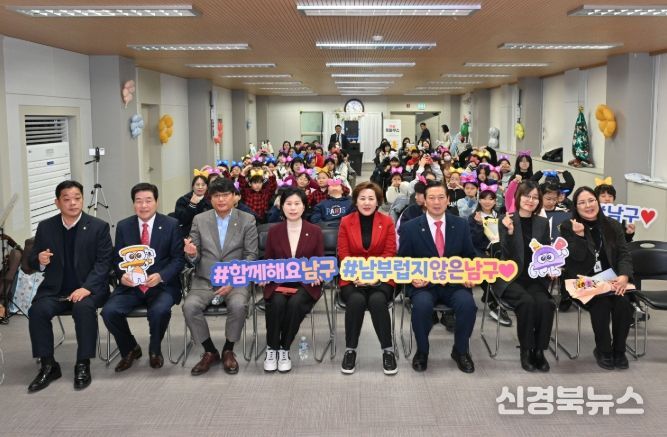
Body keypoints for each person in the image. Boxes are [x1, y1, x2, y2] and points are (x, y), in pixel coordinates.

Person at [27, 180, 112, 392]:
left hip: (88, 289)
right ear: (57, 203)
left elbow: (104, 263)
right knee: (37, 311)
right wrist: (40, 260)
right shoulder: (46, 227)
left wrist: (87, 288)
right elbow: (31, 261)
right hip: (56, 290)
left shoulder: (98, 227)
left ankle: (83, 363)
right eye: (67, 199)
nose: (73, 203)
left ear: (82, 200)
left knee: (83, 308)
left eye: (77, 198)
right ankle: (48, 365)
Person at [102, 183, 184, 372]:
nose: (144, 205)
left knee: (160, 311)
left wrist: (161, 276)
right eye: (139, 201)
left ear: (156, 202)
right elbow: (118, 259)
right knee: (109, 312)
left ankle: (155, 350)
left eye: (148, 200)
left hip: (161, 286)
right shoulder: (124, 226)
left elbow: (178, 260)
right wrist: (122, 276)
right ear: (133, 204)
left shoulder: (171, 224)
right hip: (131, 286)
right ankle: (130, 348)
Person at [398, 181, 478, 373]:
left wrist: (470, 275)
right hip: (424, 285)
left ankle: (460, 351)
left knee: (468, 305)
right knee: (421, 306)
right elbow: (402, 261)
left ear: (448, 200)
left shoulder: (461, 225)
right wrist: (412, 278)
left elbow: (470, 256)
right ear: (424, 201)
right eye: (432, 198)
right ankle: (422, 351)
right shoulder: (410, 228)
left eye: (441, 197)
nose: (436, 202)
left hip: (454, 284)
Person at [182, 178, 258, 375]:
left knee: (238, 305)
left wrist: (234, 281)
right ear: (210, 198)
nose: (221, 199)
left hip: (236, 279)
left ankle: (228, 350)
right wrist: (192, 254)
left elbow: (251, 256)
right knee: (189, 306)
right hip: (205, 279)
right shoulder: (200, 220)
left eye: (225, 195)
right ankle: (210, 351)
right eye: (216, 196)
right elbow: (194, 256)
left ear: (234, 197)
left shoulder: (247, 219)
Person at [560, 187, 634, 370]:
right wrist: (579, 236)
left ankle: (619, 351)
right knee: (601, 304)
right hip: (581, 280)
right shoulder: (568, 226)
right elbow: (574, 260)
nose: (588, 205)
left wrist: (624, 276)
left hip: (610, 280)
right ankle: (603, 350)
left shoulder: (612, 225)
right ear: (576, 206)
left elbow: (624, 254)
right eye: (582, 202)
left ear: (597, 202)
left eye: (591, 200)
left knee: (623, 304)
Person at [261, 187, 324, 372]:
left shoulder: (315, 231)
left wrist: (317, 273)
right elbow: (268, 260)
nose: (293, 208)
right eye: (288, 204)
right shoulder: (274, 231)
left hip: (305, 283)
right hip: (279, 282)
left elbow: (319, 260)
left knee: (295, 304)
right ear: (282, 206)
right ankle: (272, 348)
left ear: (304, 206)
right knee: (277, 303)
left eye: (297, 203)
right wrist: (264, 274)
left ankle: (284, 348)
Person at [338, 181, 398, 375]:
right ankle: (350, 350)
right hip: (352, 276)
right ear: (355, 201)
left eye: (371, 198)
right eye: (362, 198)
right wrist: (357, 274)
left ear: (378, 201)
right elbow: (343, 253)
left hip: (382, 275)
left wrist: (374, 276)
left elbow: (389, 252)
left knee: (377, 300)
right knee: (356, 300)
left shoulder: (387, 221)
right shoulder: (346, 221)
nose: (366, 202)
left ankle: (388, 350)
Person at [495, 181, 555, 372]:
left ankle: (539, 350)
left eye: (535, 197)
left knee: (546, 304)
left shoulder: (542, 223)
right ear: (518, 197)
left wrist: (551, 267)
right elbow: (505, 255)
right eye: (527, 196)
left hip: (534, 277)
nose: (531, 200)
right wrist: (509, 232)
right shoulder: (507, 219)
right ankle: (526, 350)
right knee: (527, 302)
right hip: (510, 277)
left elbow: (546, 252)